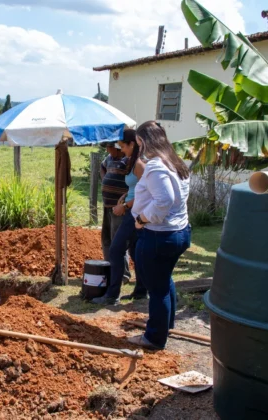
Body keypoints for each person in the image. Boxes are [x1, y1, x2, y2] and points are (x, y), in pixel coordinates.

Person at [128, 121, 191, 350]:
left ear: (144, 141)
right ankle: (167, 325)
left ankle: (154, 338)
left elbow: (164, 200)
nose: (139, 148)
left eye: (138, 143)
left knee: (157, 288)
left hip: (158, 235)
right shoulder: (176, 162)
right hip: (179, 231)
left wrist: (142, 219)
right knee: (164, 279)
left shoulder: (155, 166)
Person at [92, 129, 147, 305]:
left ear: (132, 144)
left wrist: (125, 205)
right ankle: (140, 291)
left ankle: (112, 296)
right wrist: (125, 197)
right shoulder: (132, 161)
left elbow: (148, 193)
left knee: (116, 251)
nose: (121, 150)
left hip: (133, 213)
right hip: (130, 208)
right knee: (135, 252)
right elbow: (135, 189)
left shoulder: (139, 164)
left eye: (123, 146)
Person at [100, 141, 131, 284]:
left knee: (118, 242)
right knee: (106, 239)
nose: (107, 150)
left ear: (117, 148)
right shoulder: (109, 159)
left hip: (119, 208)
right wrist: (105, 180)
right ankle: (110, 269)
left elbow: (134, 183)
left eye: (109, 147)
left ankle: (123, 275)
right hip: (107, 205)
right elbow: (102, 167)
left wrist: (125, 198)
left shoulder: (127, 161)